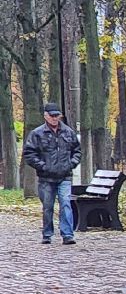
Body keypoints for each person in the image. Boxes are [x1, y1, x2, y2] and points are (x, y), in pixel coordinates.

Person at [21, 104, 81, 245]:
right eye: (52, 115)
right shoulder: (37, 133)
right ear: (45, 116)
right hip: (46, 178)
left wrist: (71, 163)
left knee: (66, 204)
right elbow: (29, 154)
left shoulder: (68, 132)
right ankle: (47, 233)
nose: (54, 118)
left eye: (57, 115)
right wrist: (43, 166)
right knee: (48, 206)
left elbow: (77, 151)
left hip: (65, 176)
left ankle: (67, 234)